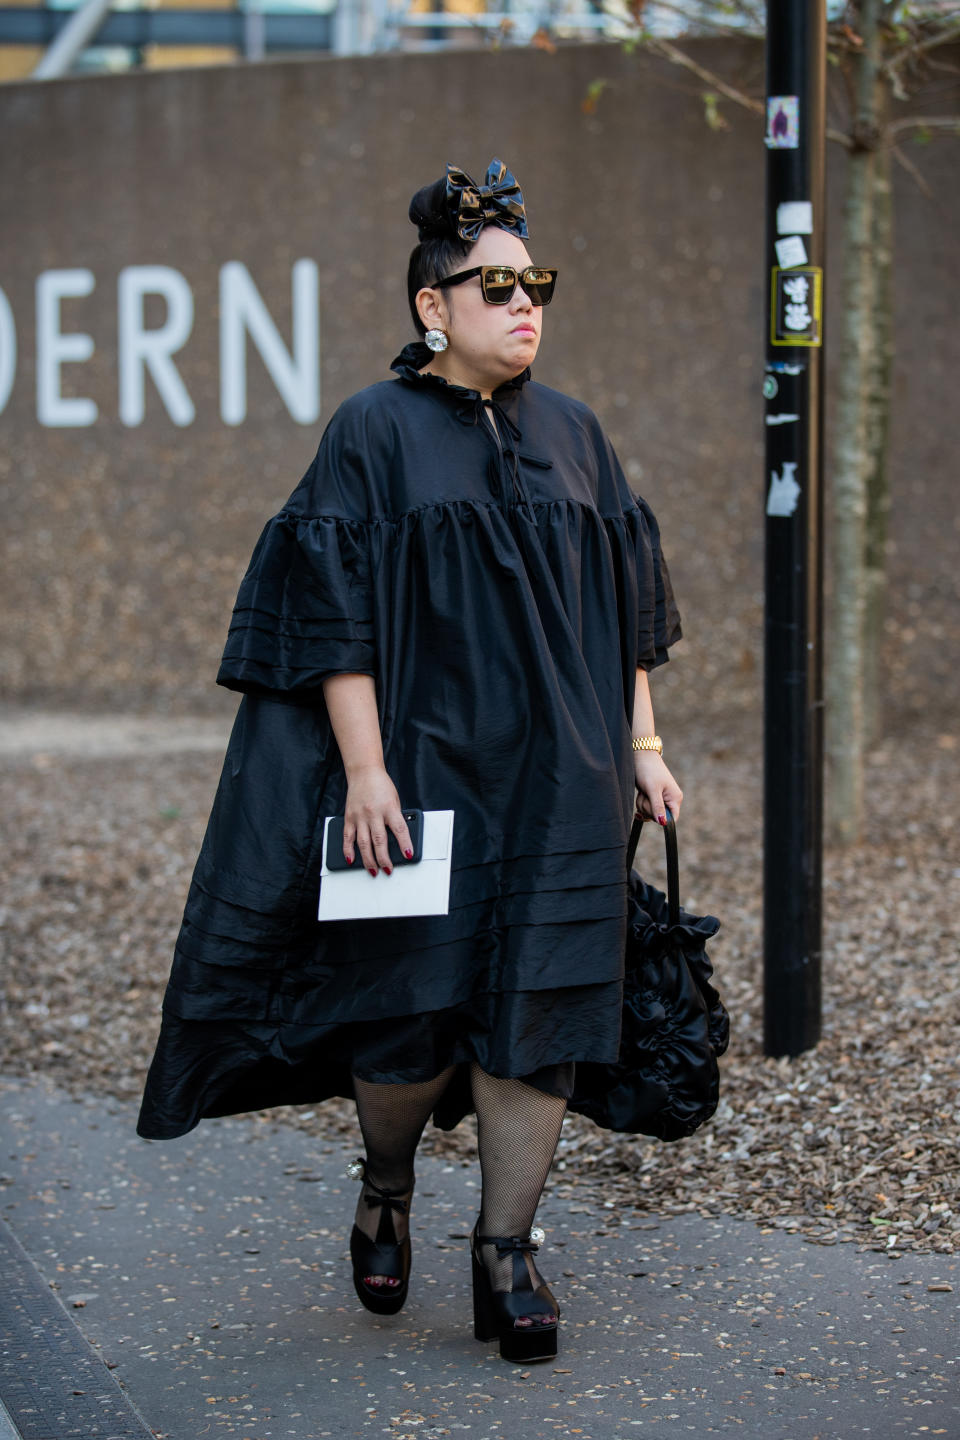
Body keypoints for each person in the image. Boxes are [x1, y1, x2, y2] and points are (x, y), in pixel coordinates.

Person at [136, 159, 684, 1365]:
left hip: (561, 779)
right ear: (433, 309)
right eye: (494, 288)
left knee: (537, 1013)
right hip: (419, 774)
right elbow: (330, 611)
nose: (525, 304)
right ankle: (387, 1182)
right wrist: (368, 772)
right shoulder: (372, 432)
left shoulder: (578, 434)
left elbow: (626, 601)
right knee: (408, 1016)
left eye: (535, 283)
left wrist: (641, 745)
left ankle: (506, 1251)